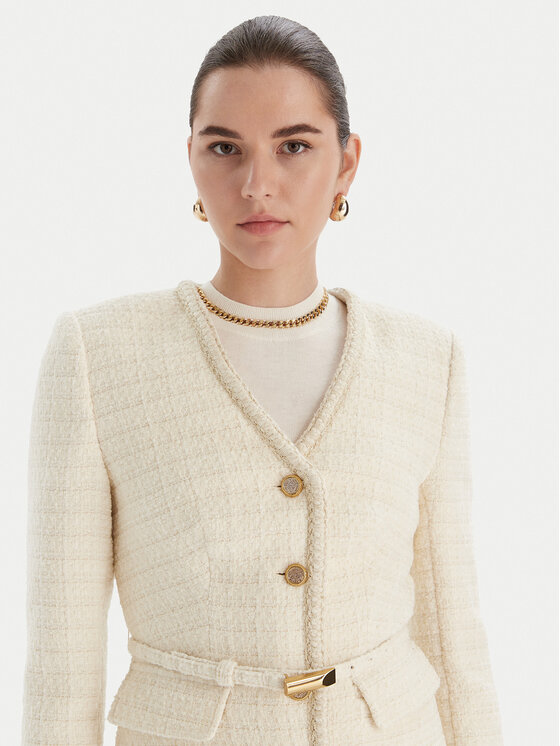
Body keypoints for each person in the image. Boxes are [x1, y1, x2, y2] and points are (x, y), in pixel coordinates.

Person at [21, 14, 504, 746]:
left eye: (294, 147)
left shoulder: (426, 362)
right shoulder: (98, 356)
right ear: (191, 158)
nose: (257, 185)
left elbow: (454, 630)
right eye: (225, 148)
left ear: (346, 164)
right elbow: (62, 656)